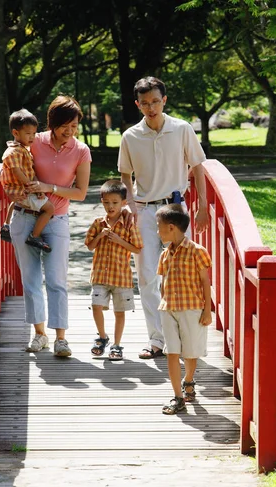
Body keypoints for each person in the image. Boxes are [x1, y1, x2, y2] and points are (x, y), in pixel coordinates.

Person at [118, 76, 208, 360]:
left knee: (185, 272)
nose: (151, 108)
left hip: (176, 209)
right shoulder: (130, 136)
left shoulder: (182, 129)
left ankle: (184, 338)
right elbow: (124, 175)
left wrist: (203, 206)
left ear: (164, 100)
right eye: (145, 103)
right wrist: (130, 206)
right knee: (147, 276)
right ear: (138, 104)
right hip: (144, 210)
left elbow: (198, 167)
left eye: (155, 101)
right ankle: (157, 340)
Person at [8, 95, 91, 357]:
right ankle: (39, 334)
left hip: (57, 220)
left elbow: (80, 193)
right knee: (31, 280)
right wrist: (12, 193)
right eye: (65, 126)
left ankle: (61, 338)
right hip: (24, 217)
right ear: (52, 123)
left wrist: (50, 188)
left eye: (74, 127)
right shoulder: (34, 141)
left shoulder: (81, 150)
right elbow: (11, 165)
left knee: (56, 280)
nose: (70, 131)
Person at [156, 204, 212, 415]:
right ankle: (178, 397)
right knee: (172, 352)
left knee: (190, 352)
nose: (157, 231)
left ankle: (188, 380)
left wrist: (207, 310)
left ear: (171, 228)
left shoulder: (197, 251)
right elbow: (163, 282)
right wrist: (164, 301)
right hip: (168, 308)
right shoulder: (164, 254)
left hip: (192, 308)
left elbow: (205, 282)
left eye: (158, 226)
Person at [85, 179, 143, 361]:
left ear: (124, 203)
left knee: (120, 312)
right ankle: (102, 337)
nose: (111, 206)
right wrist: (101, 236)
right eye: (107, 202)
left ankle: (117, 345)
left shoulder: (128, 225)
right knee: (96, 306)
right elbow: (89, 246)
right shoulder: (97, 223)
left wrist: (119, 240)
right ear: (101, 201)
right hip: (100, 275)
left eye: (115, 203)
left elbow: (137, 248)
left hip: (121, 277)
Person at [0, 109, 54, 253]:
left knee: (17, 201)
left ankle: (6, 225)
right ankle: (34, 236)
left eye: (34, 134)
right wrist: (32, 187)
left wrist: (39, 189)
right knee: (49, 209)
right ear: (15, 133)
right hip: (24, 189)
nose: (32, 137)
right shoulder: (13, 152)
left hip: (25, 190)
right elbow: (17, 171)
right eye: (28, 134)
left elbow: (31, 171)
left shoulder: (23, 149)